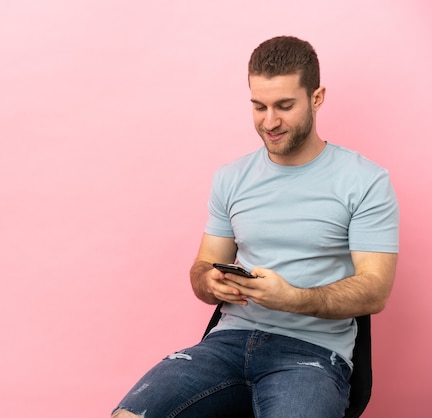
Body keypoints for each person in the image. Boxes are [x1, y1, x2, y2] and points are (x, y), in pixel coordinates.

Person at [112, 36, 399, 418]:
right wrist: (209, 282)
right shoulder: (231, 178)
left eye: (284, 106)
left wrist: (291, 298)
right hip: (227, 343)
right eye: (258, 106)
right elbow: (202, 268)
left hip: (311, 353)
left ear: (316, 97)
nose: (270, 121)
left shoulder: (365, 181)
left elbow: (375, 291)